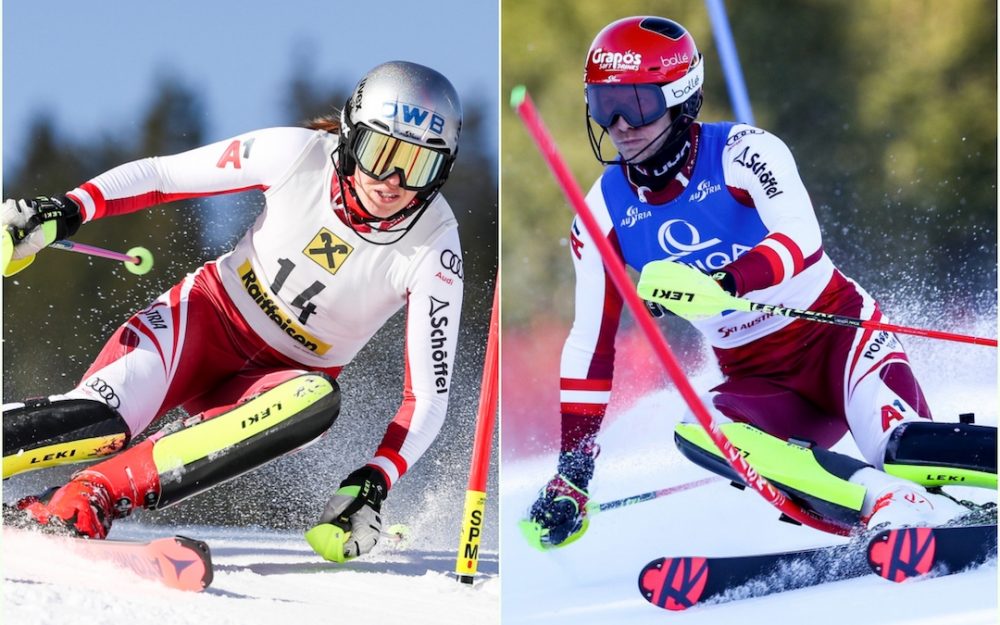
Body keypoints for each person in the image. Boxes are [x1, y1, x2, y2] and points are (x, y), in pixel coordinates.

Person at [524, 16, 996, 548]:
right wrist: (574, 469)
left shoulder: (744, 151)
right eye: (601, 103)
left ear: (681, 100)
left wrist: (726, 281)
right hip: (759, 379)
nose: (619, 125)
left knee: (902, 450)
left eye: (635, 104)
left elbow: (801, 238)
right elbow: (591, 344)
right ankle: (883, 503)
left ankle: (916, 482)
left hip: (839, 339)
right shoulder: (600, 214)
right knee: (699, 428)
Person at [2, 60, 466, 562]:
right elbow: (163, 175)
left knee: (317, 400)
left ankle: (86, 498)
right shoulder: (298, 154)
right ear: (351, 137)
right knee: (101, 422)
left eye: (419, 165)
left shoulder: (435, 249)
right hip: (204, 321)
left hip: (277, 384)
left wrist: (374, 481)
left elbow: (427, 398)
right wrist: (68, 210)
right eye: (380, 153)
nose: (393, 181)